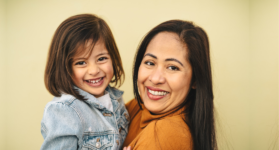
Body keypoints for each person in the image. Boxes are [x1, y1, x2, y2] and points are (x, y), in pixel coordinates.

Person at [123, 20, 217, 150]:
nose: (155, 79)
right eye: (150, 63)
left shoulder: (162, 135)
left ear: (195, 80)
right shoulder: (138, 106)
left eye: (173, 67)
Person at [41, 14, 129, 150]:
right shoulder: (64, 111)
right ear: (65, 68)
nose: (94, 70)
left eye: (101, 58)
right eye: (81, 62)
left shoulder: (116, 98)